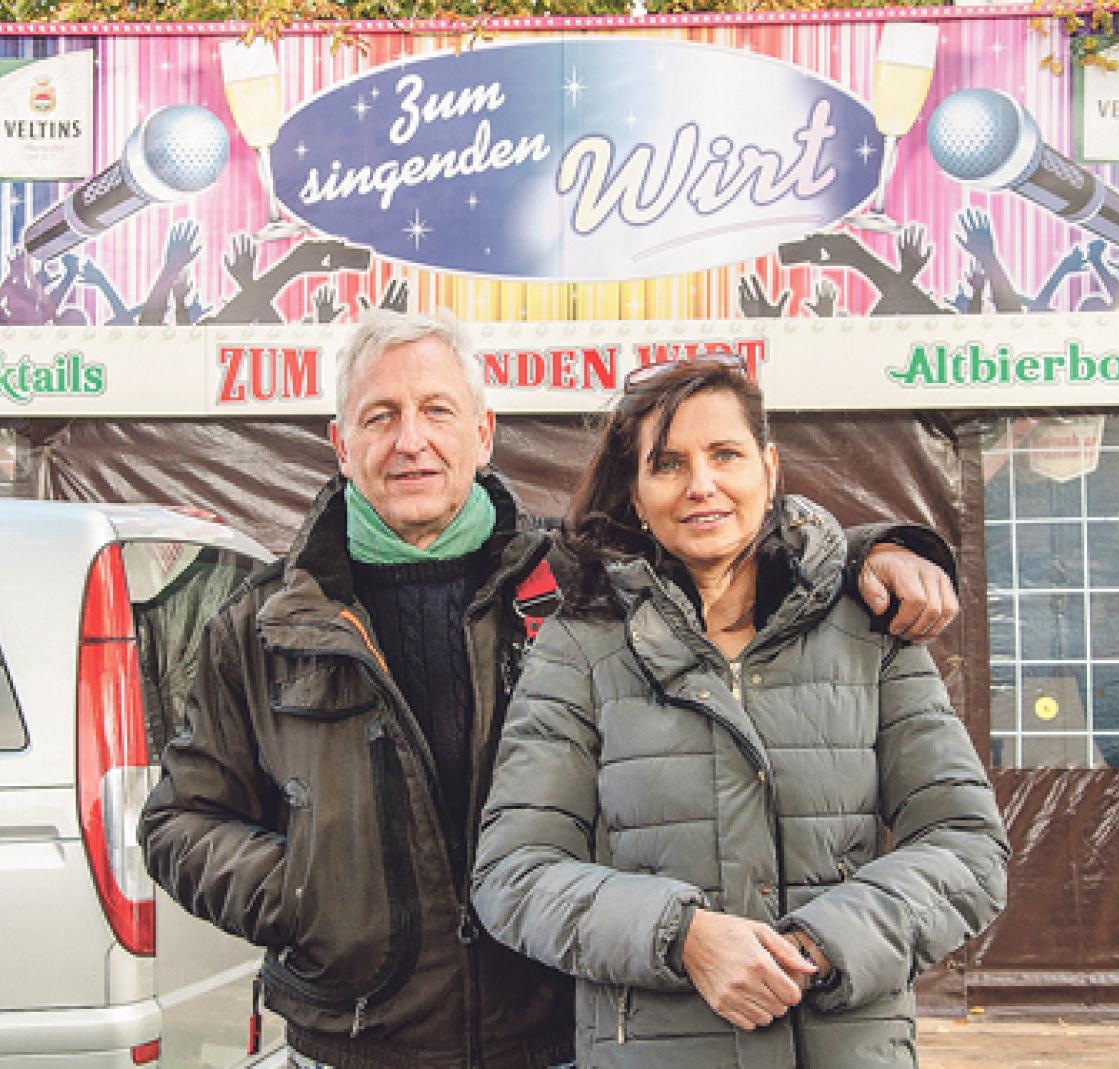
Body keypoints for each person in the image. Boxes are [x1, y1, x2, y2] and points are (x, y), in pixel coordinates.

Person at [140, 311, 962, 1069]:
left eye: (436, 410)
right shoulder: (266, 623)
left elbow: (726, 543)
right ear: (340, 444)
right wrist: (308, 890)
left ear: (483, 432)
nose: (410, 440)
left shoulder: (580, 583)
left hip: (556, 1032)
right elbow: (180, 821)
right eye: (380, 416)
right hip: (352, 1041)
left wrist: (878, 552)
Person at [471, 355, 1008, 1068]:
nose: (702, 484)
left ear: (769, 468)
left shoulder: (871, 631)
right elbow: (514, 874)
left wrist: (824, 944)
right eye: (668, 464)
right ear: (637, 496)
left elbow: (967, 845)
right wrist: (682, 937)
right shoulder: (581, 649)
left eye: (725, 454)